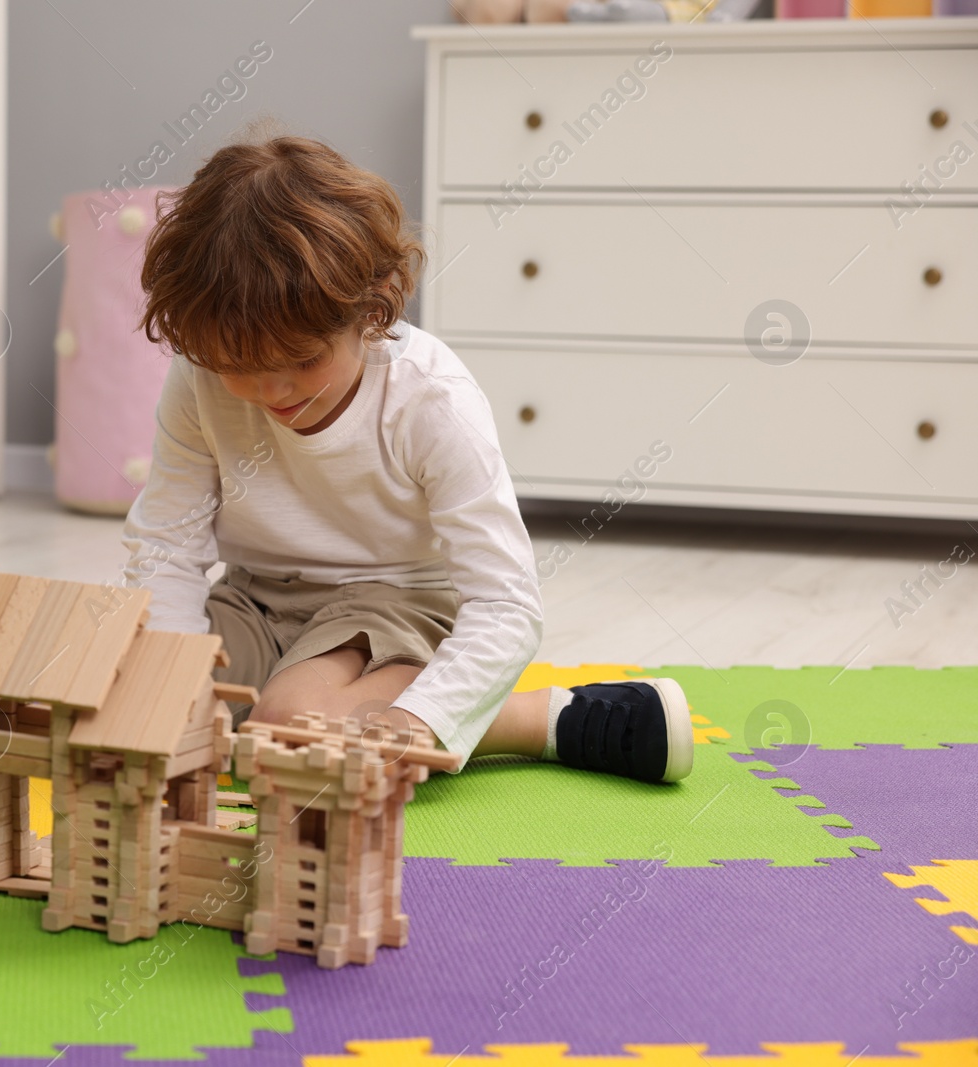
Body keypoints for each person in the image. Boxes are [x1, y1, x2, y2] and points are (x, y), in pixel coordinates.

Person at [118, 133, 692, 784]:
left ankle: (533, 718)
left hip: (391, 604)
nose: (272, 391)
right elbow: (166, 547)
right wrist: (170, 683)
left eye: (303, 361)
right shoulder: (197, 378)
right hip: (253, 600)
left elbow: (505, 602)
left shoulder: (430, 400)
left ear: (371, 308)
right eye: (240, 368)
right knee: (111, 682)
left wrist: (419, 722)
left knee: (292, 732)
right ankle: (395, 704)